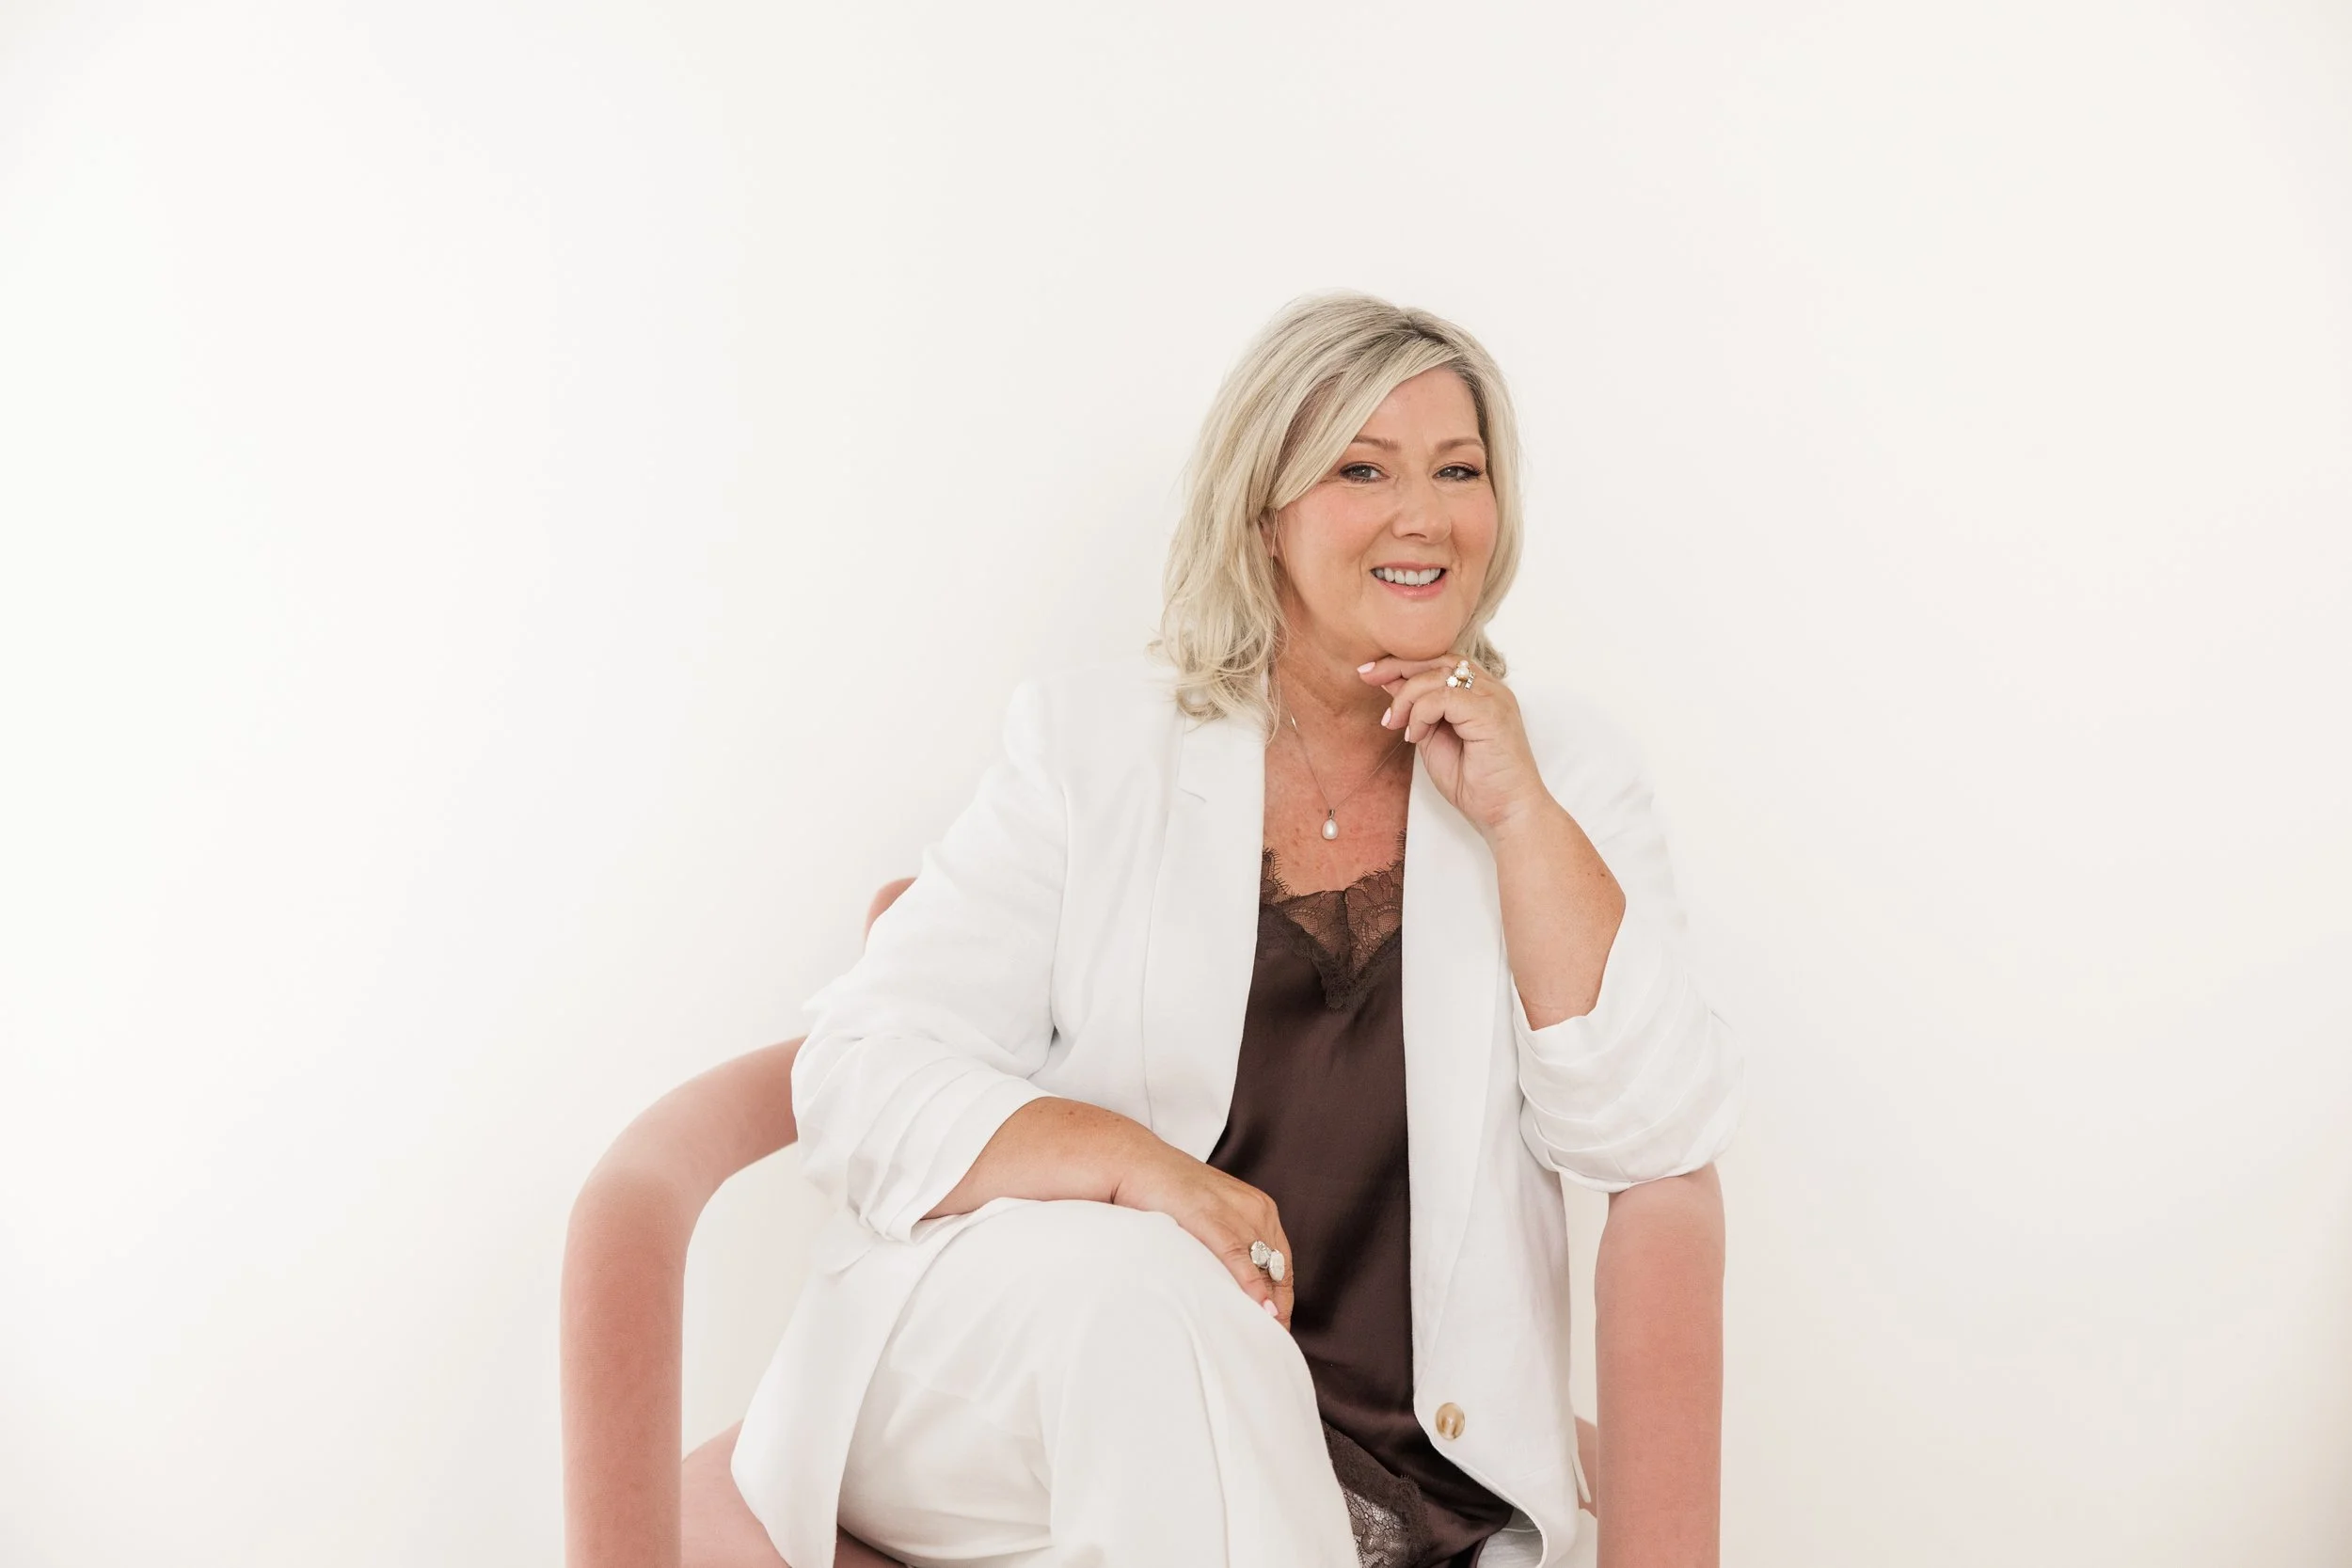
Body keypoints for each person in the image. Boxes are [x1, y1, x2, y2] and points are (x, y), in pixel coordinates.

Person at [727, 292, 1744, 1568]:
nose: (1423, 513)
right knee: (1156, 1289)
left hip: (1379, 1472)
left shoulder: (1566, 778)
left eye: (1460, 469)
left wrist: (1522, 815)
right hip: (1018, 1405)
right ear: (1265, 511)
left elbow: (1657, 1129)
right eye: (1362, 468)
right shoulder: (1091, 749)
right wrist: (1136, 1167)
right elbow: (859, 1071)